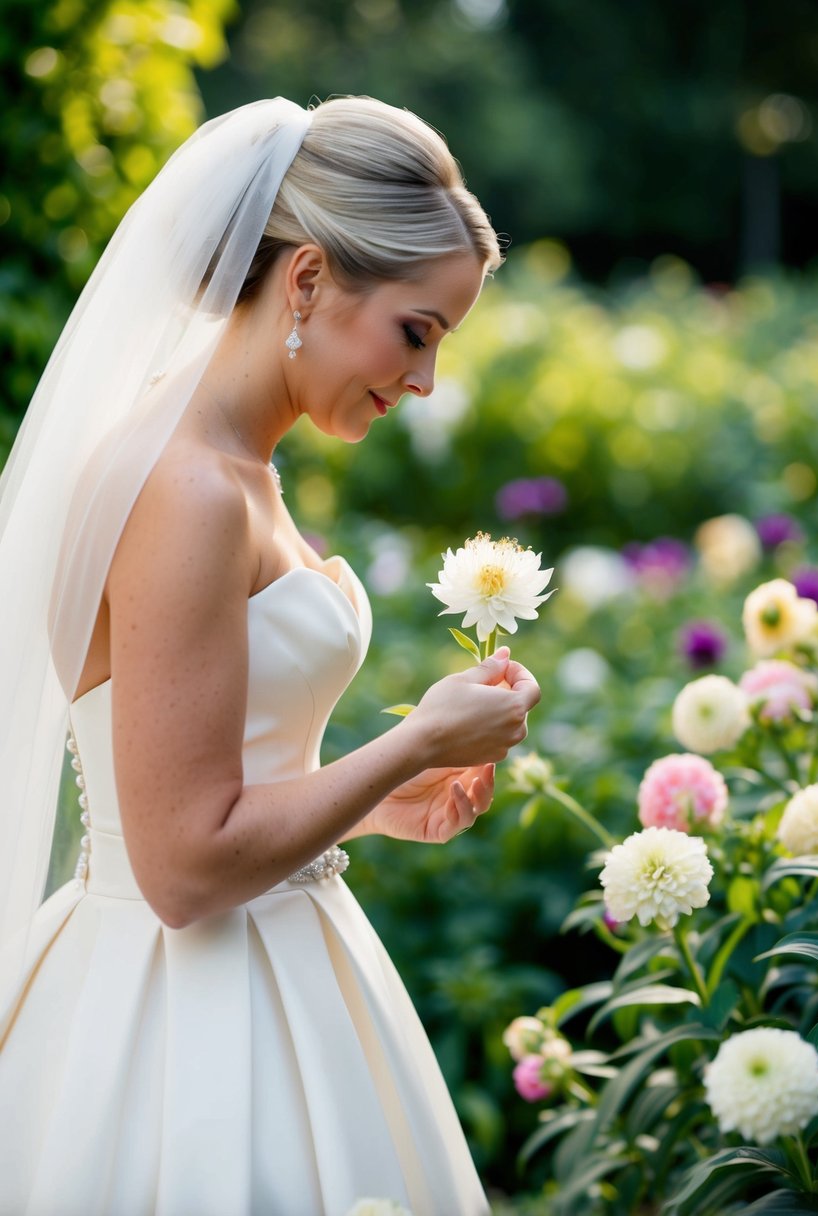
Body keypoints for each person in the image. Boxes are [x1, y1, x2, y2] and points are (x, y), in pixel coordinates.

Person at [0, 96, 540, 1215]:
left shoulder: (231, 461)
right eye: (416, 330)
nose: (425, 381)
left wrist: (386, 801)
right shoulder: (190, 488)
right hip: (182, 1024)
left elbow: (211, 782)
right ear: (306, 282)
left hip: (270, 956)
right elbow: (183, 867)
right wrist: (415, 743)